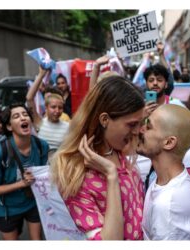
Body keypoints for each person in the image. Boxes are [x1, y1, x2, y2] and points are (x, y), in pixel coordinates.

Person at [51, 76, 145, 240]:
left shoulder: (120, 150)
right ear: (104, 120)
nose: (138, 131)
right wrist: (111, 175)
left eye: (140, 123)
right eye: (131, 124)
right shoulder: (76, 174)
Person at [137, 104, 190, 240]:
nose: (140, 130)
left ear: (169, 142)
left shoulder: (168, 205)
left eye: (148, 126)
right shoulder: (163, 181)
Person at [0, 103, 49, 240]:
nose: (23, 118)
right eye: (16, 116)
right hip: (7, 208)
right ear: (9, 126)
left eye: (25, 115)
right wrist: (21, 184)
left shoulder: (42, 146)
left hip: (32, 202)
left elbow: (42, 174)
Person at [26, 67, 69, 152]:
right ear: (46, 107)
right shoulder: (39, 122)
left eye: (60, 108)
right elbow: (29, 98)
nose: (57, 111)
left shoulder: (67, 126)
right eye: (53, 107)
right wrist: (41, 75)